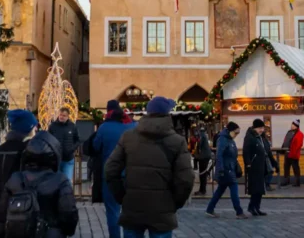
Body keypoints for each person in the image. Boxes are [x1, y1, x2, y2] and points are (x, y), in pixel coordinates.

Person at [104, 96, 194, 238]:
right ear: (167, 114)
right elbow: (186, 179)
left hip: (132, 207)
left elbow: (110, 170)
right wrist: (174, 203)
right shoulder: (178, 141)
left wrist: (122, 197)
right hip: (162, 210)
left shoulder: (128, 137)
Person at [0, 131, 78, 238]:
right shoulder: (60, 180)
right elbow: (68, 213)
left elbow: (2, 214)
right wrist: (67, 231)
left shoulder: (15, 178)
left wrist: (1, 233)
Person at [89, 101, 132, 238]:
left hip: (110, 174)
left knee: (112, 210)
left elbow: (95, 147)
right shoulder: (133, 126)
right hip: (131, 173)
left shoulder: (104, 127)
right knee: (129, 210)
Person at [0, 109, 39, 230]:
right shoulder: (27, 150)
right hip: (18, 206)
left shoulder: (0, 149)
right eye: (34, 127)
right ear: (28, 130)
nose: (36, 130)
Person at [206, 122, 246, 219]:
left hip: (229, 168)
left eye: (238, 133)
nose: (236, 135)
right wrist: (221, 170)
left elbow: (233, 155)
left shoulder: (230, 140)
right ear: (229, 131)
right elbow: (219, 155)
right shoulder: (223, 140)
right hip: (226, 170)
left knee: (220, 190)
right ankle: (239, 212)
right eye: (235, 133)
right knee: (234, 189)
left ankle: (210, 209)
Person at [242, 119, 270, 217]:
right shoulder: (250, 137)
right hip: (254, 166)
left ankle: (256, 207)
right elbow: (246, 151)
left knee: (260, 188)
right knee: (255, 188)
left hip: (261, 165)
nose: (261, 130)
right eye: (260, 128)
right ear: (255, 128)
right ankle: (252, 207)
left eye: (262, 128)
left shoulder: (260, 137)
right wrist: (248, 163)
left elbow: (266, 149)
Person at [48, 107, 80, 182]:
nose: (61, 117)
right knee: (55, 182)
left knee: (67, 182)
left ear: (68, 116)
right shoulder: (53, 126)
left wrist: (72, 149)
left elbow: (77, 140)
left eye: (64, 115)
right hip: (55, 159)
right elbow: (48, 139)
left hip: (68, 159)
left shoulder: (72, 126)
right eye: (60, 115)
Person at [280, 120, 304, 187]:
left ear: (296, 126)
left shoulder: (300, 134)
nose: (292, 126)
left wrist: (293, 151)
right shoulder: (289, 132)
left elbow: (298, 144)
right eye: (292, 125)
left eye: (293, 125)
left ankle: (297, 182)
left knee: (295, 167)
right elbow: (285, 140)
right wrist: (283, 148)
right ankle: (286, 181)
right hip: (287, 152)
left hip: (294, 153)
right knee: (286, 167)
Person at [194, 124, 213, 195]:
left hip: (204, 157)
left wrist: (198, 152)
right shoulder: (204, 135)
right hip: (205, 156)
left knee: (202, 174)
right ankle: (202, 189)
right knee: (203, 173)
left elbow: (200, 145)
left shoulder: (202, 136)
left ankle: (202, 190)